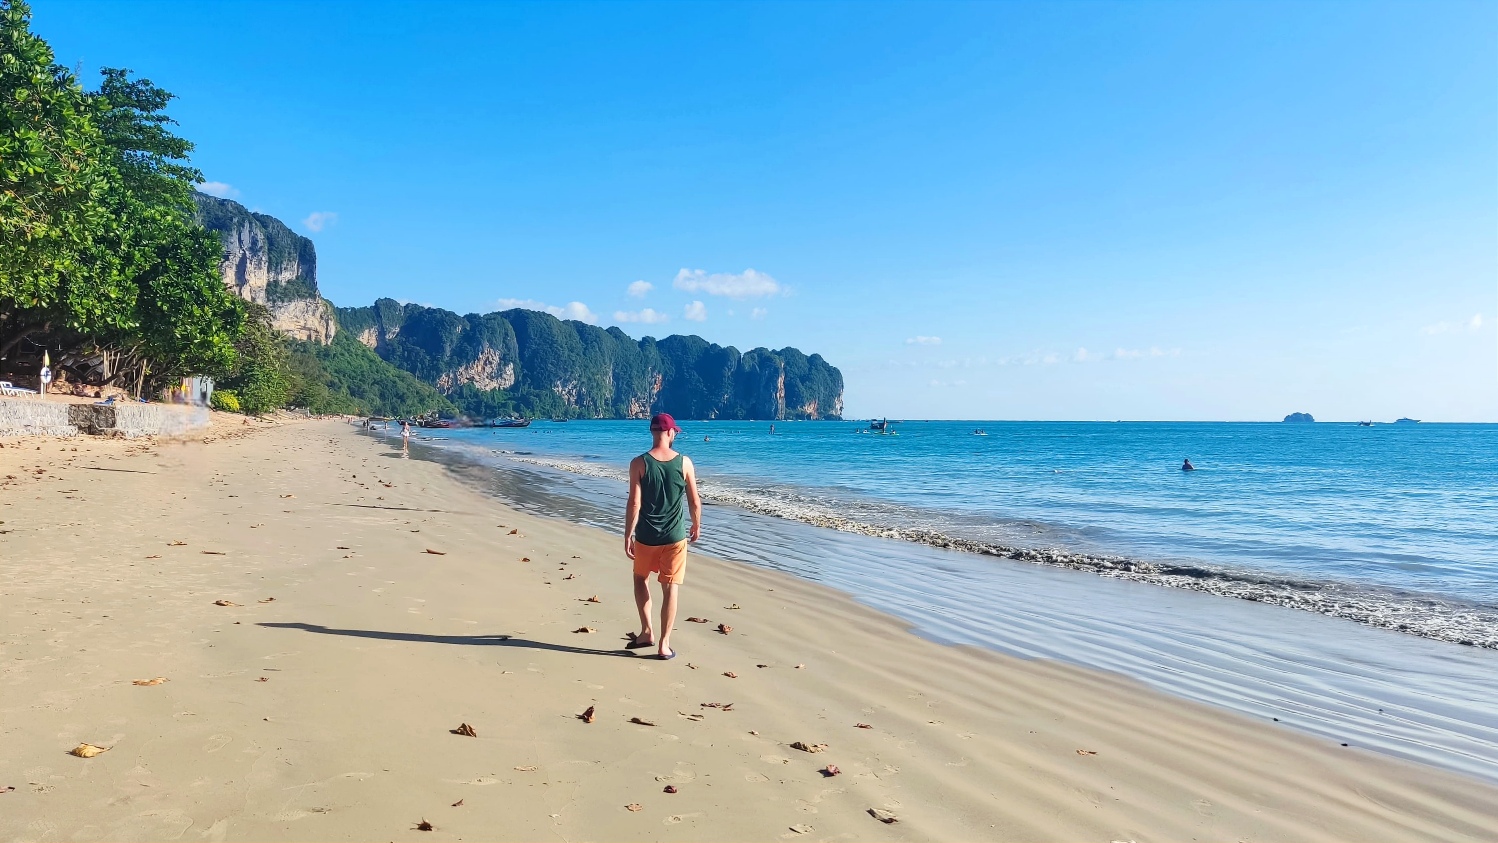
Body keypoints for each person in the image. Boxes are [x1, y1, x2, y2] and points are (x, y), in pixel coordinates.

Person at [624, 412, 701, 660]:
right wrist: (696, 525)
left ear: (652, 432)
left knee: (640, 579)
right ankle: (664, 645)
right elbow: (694, 501)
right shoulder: (685, 463)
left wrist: (628, 534)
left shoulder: (639, 463)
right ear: (670, 433)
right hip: (675, 537)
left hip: (646, 536)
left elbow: (634, 503)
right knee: (670, 588)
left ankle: (647, 632)